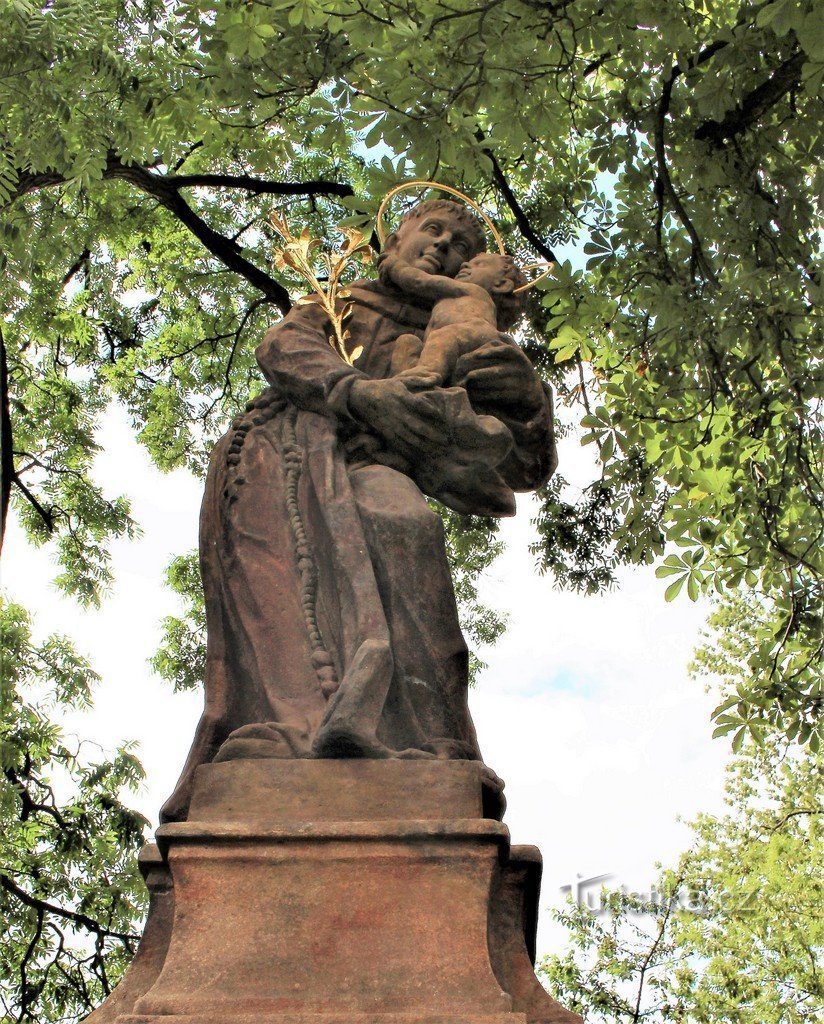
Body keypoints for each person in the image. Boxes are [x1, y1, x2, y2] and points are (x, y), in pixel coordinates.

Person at [160, 199, 557, 824]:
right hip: (287, 454)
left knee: (410, 531)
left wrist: (527, 399)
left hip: (376, 466)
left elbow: (523, 466)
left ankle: (428, 746)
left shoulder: (462, 334)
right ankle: (289, 729)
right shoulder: (345, 303)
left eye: (459, 246)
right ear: (393, 237)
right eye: (432, 231)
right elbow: (283, 346)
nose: (442, 249)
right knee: (287, 584)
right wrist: (358, 392)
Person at [382, 250, 529, 387]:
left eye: (479, 264)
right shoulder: (452, 295)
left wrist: (396, 266)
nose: (465, 264)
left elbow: (421, 281)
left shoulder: (474, 290)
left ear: (502, 284)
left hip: (474, 333)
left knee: (443, 336)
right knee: (408, 341)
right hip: (446, 343)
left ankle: (426, 375)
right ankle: (402, 380)